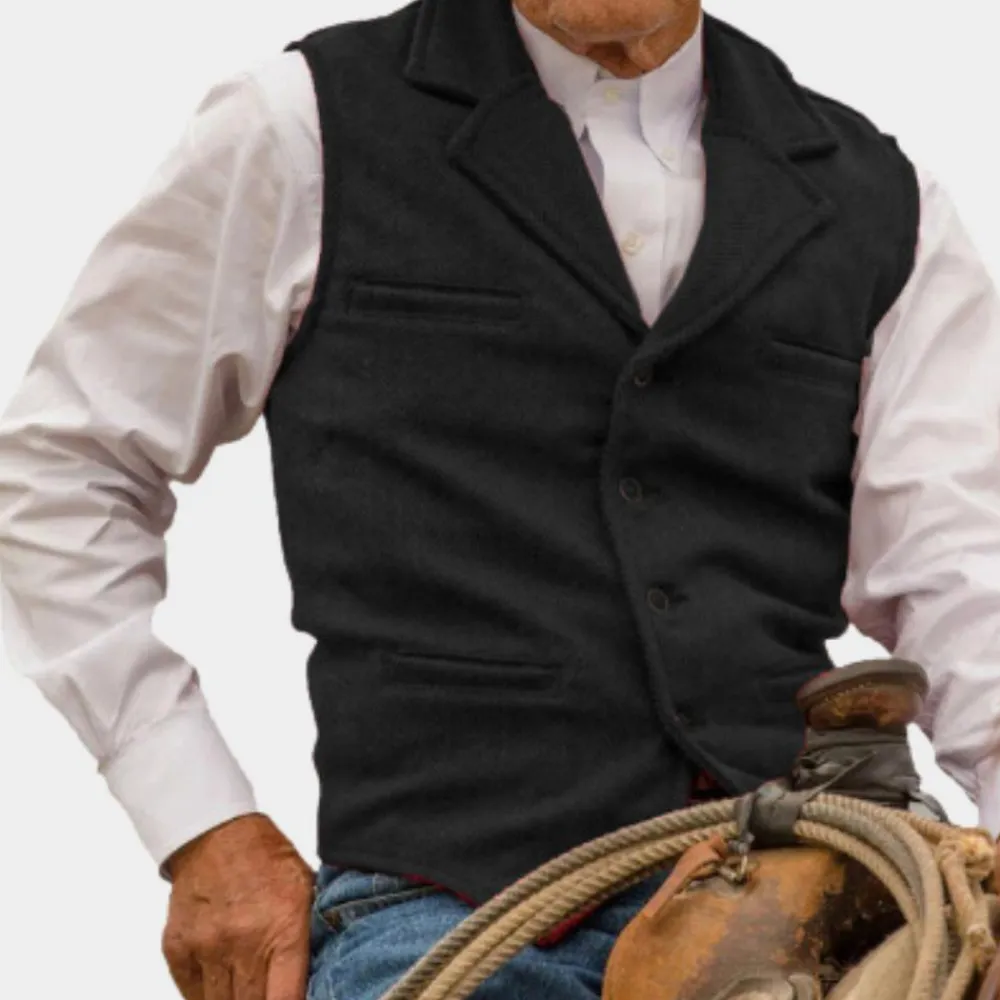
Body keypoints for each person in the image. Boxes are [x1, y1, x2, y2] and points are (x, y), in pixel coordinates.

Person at [1, 0, 998, 997]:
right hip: (454, 910)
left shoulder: (882, 200)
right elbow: (62, 470)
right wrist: (201, 823)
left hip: (812, 900)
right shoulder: (302, 129)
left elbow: (967, 573)